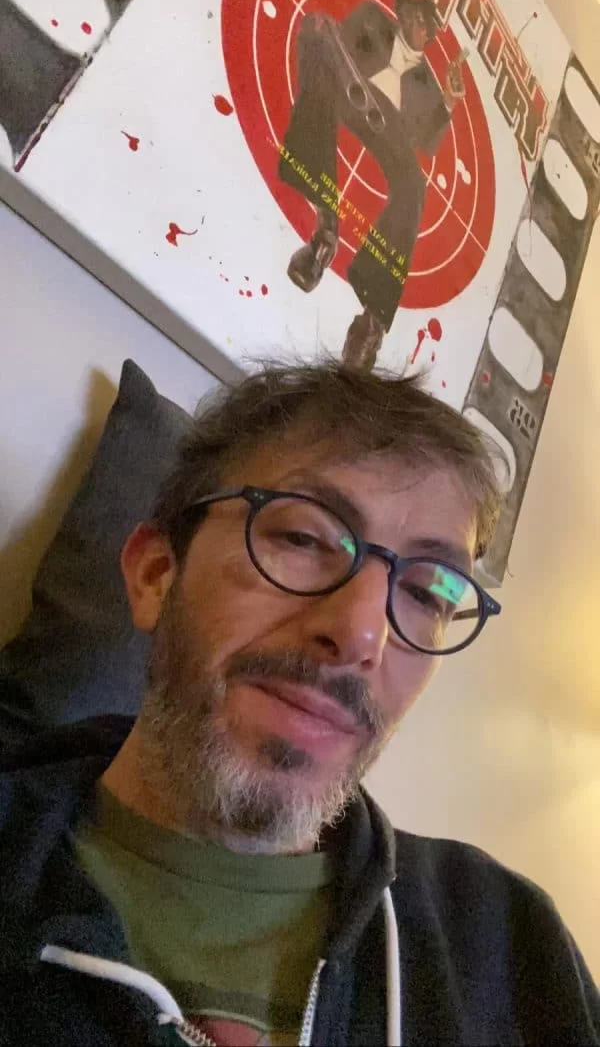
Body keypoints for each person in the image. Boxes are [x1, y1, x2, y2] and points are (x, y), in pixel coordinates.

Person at [0, 360, 598, 1047]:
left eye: (427, 592)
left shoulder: (511, 946)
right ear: (156, 574)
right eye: (304, 538)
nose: (362, 635)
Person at [278, 0, 467, 372]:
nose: (423, 28)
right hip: (350, 90)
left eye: (430, 25)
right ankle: (324, 236)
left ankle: (373, 320)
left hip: (389, 130)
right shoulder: (371, 21)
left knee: (414, 186)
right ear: (404, 11)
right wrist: (326, 36)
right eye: (419, 17)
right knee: (317, 40)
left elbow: (426, 144)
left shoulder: (427, 84)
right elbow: (337, 47)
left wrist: (447, 104)